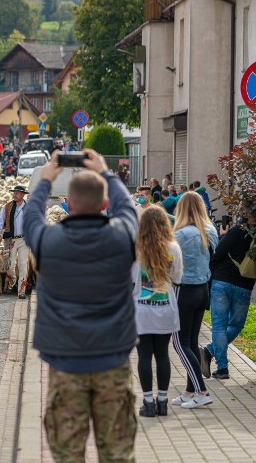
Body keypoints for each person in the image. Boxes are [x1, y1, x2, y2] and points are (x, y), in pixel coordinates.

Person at [23, 149, 138, 462]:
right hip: (112, 361)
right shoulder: (122, 237)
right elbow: (128, 207)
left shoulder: (48, 241)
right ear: (104, 205)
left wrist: (45, 179)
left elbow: (30, 216)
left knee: (68, 455)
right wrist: (107, 173)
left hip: (65, 363)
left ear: (68, 205)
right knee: (117, 454)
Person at [132, 206, 184, 418]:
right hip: (165, 307)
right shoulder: (173, 248)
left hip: (141, 309)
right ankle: (162, 401)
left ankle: (148, 402)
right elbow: (178, 279)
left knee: (144, 354)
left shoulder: (135, 249)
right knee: (162, 354)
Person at [172, 192, 218, 409]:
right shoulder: (210, 231)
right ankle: (190, 390)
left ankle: (201, 391)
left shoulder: (180, 234)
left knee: (179, 343)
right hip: (203, 290)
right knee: (191, 341)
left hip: (184, 290)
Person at [201, 211, 256, 380]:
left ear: (246, 214)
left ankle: (219, 364)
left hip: (222, 282)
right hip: (245, 284)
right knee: (236, 325)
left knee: (219, 325)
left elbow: (217, 254)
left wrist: (223, 237)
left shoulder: (236, 231)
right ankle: (212, 355)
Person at [0, 185, 30, 298]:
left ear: (23, 195)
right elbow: (0, 222)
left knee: (23, 264)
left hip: (24, 239)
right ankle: (12, 281)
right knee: (9, 264)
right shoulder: (7, 207)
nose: (15, 195)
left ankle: (21, 290)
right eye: (14, 193)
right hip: (11, 239)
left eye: (18, 193)